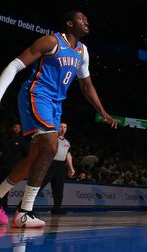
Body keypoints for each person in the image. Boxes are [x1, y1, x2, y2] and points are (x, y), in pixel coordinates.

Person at [0, 11, 118, 228]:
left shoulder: (83, 51)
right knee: (51, 145)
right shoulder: (52, 41)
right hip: (37, 93)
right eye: (82, 18)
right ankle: (24, 210)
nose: (87, 21)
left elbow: (86, 85)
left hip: (56, 103)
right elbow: (15, 65)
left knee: (34, 158)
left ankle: (7, 200)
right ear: (70, 23)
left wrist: (102, 111)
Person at [40, 123, 75, 215]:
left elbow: (68, 154)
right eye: (61, 126)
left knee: (59, 189)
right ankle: (26, 207)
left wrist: (71, 168)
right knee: (39, 186)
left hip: (60, 167)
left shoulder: (68, 141)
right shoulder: (52, 138)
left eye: (65, 127)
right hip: (50, 164)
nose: (63, 129)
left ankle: (56, 209)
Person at [0, 124, 29, 211]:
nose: (16, 129)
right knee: (2, 186)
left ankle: (6, 206)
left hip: (15, 168)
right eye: (15, 127)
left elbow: (26, 155)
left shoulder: (23, 141)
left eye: (18, 128)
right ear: (12, 128)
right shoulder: (4, 140)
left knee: (7, 187)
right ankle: (3, 206)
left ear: (20, 129)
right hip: (3, 167)